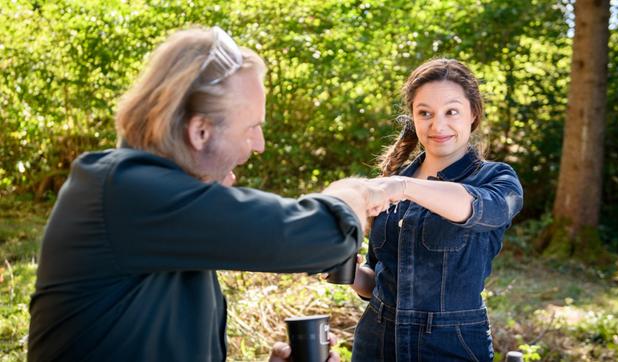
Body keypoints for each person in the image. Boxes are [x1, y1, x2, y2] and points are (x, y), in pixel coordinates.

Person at [28, 26, 394, 361]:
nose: (260, 144)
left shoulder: (160, 205)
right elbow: (321, 237)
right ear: (200, 131)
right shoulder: (127, 190)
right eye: (252, 127)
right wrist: (352, 193)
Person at [349, 58, 524, 361]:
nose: (437, 125)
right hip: (375, 343)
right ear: (413, 117)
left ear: (473, 114)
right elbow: (376, 280)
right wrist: (342, 269)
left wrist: (403, 188)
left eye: (451, 111)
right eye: (425, 113)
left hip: (451, 347)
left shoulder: (497, 179)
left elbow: (480, 207)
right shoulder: (393, 181)